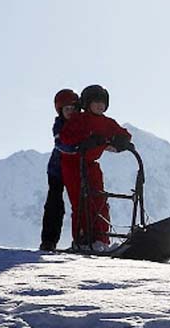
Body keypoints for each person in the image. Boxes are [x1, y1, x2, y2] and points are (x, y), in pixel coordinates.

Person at [60, 84, 132, 251]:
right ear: (87, 103)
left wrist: (122, 141)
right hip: (73, 164)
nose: (100, 105)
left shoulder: (107, 122)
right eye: (96, 102)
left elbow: (123, 133)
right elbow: (66, 137)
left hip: (90, 164)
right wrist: (88, 138)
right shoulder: (80, 119)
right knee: (81, 201)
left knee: (99, 199)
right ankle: (83, 240)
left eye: (103, 102)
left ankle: (101, 240)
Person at [39, 89, 79, 251]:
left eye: (73, 109)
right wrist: (76, 149)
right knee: (55, 202)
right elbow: (60, 143)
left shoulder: (82, 123)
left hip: (76, 168)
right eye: (66, 109)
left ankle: (85, 237)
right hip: (57, 169)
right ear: (60, 111)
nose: (70, 112)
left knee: (81, 202)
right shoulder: (59, 125)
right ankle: (49, 240)